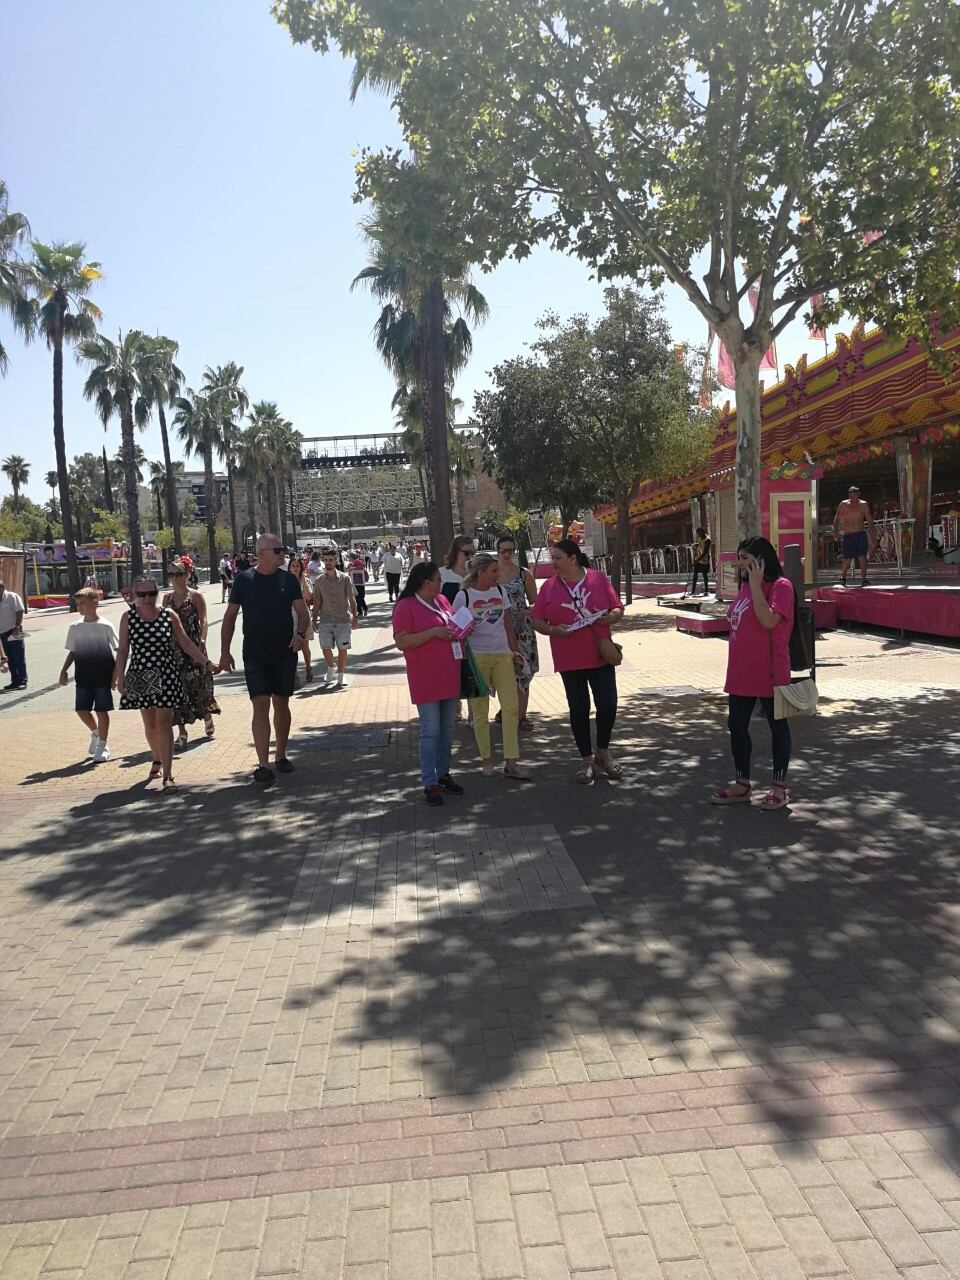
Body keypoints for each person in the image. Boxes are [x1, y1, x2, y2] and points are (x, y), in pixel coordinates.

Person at [530, 538, 624, 785]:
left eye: (558, 558)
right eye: (552, 558)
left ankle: (603, 752)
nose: (554, 563)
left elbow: (617, 608)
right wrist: (553, 631)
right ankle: (586, 759)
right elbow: (537, 619)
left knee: (608, 703)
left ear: (573, 558)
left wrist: (608, 619)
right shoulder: (549, 587)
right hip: (569, 658)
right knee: (579, 708)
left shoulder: (597, 579)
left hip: (600, 654)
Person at [220, 533, 311, 786]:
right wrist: (225, 651)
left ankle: (280, 754)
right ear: (262, 553)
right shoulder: (244, 580)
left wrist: (301, 635)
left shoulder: (288, 580)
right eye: (278, 550)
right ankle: (263, 764)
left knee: (281, 703)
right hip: (255, 653)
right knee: (260, 704)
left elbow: (303, 613)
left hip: (285, 651)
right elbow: (229, 617)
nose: (283, 554)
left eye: (283, 550)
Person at [711, 537, 795, 811]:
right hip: (741, 672)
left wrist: (758, 587)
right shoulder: (745, 587)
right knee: (736, 725)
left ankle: (779, 787)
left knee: (777, 727)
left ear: (761, 558)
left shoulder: (781, 587)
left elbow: (769, 620)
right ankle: (742, 783)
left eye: (746, 558)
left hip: (770, 671)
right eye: (740, 558)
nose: (741, 563)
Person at [114, 575, 215, 791]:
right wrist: (119, 676)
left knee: (164, 722)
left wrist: (206, 662)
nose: (148, 598)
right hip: (140, 673)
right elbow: (123, 650)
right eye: (142, 594)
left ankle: (168, 775)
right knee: (150, 724)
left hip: (167, 673)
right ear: (134, 595)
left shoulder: (168, 616)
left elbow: (186, 643)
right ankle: (156, 758)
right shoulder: (128, 617)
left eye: (152, 593)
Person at [393, 562, 466, 806]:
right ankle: (429, 781)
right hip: (425, 677)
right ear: (425, 582)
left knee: (446, 729)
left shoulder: (442, 600)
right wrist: (434, 633)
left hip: (449, 674)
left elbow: (453, 624)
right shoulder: (406, 606)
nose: (440, 582)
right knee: (430, 730)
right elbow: (402, 641)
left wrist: (463, 627)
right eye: (437, 579)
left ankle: (444, 774)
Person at [453, 553, 530, 780]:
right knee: (480, 711)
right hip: (478, 659)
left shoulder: (500, 592)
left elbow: (507, 625)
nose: (498, 575)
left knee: (511, 707)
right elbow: (457, 632)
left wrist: (516, 652)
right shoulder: (463, 596)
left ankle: (511, 762)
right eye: (493, 571)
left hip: (502, 655)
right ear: (480, 572)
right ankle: (486, 761)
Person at [162, 558, 220, 749]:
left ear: (187, 574)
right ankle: (182, 731)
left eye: (178, 574)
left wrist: (202, 641)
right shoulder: (167, 599)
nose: (175, 578)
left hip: (194, 647)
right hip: (174, 650)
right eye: (172, 575)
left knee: (198, 686)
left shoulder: (195, 596)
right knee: (177, 688)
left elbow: (203, 620)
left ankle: (207, 717)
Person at [59, 586, 119, 762]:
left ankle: (103, 745)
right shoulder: (75, 627)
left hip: (103, 676)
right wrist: (64, 670)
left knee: (102, 710)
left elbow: (118, 651)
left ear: (95, 602)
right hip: (83, 676)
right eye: (77, 604)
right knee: (82, 710)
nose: (79, 607)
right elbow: (73, 651)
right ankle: (96, 732)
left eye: (82, 603)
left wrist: (116, 675)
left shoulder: (105, 626)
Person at [495, 533, 539, 731]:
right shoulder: (491, 574)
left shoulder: (523, 574)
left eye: (510, 550)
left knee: (523, 672)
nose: (506, 554)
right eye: (502, 550)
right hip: (498, 630)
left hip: (522, 630)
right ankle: (506, 710)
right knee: (503, 673)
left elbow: (536, 604)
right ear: (497, 551)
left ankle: (520, 716)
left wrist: (526, 611)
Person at [312, 549, 359, 686]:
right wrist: (314, 620)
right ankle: (331, 666)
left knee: (342, 648)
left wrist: (355, 617)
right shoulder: (319, 581)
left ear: (336, 560)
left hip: (343, 619)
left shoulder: (345, 578)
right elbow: (317, 602)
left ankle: (341, 674)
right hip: (325, 619)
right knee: (325, 646)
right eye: (326, 560)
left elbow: (351, 598)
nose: (328, 563)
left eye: (331, 560)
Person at [833, 485, 877, 587]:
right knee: (847, 558)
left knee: (862, 557)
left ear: (858, 494)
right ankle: (842, 576)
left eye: (855, 493)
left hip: (860, 534)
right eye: (851, 493)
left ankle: (864, 578)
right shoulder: (843, 504)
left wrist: (873, 536)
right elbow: (837, 518)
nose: (853, 496)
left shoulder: (864, 505)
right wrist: (835, 531)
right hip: (848, 535)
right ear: (849, 495)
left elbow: (869, 520)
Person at [287, 555, 314, 682]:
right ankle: (294, 675)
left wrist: (303, 580)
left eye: (297, 566)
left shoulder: (305, 580)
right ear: (289, 568)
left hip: (303, 615)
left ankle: (309, 668)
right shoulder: (285, 581)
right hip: (290, 615)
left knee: (304, 646)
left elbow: (309, 597)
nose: (295, 568)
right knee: (292, 647)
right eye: (293, 566)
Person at [0, 578, 26, 691]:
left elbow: (20, 611)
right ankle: (14, 681)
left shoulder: (12, 597)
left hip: (13, 631)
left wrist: (17, 626)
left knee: (18, 657)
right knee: (9, 658)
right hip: (2, 633)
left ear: (2, 588)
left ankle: (22, 680)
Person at [440, 534, 475, 603]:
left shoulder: (476, 573)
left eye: (473, 553)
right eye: (467, 553)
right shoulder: (441, 573)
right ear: (455, 552)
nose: (470, 557)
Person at [347, 549, 369, 617]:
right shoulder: (350, 564)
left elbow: (362, 566)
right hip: (353, 583)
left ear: (352, 557)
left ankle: (365, 608)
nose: (349, 558)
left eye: (350, 557)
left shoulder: (359, 562)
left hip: (360, 582)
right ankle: (359, 611)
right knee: (356, 597)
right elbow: (347, 569)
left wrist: (354, 568)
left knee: (361, 596)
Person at [692, 526, 712, 596]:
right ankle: (693, 591)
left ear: (703, 532)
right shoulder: (700, 538)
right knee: (695, 575)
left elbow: (705, 552)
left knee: (704, 575)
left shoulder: (707, 540)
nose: (699, 535)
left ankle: (706, 591)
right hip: (698, 559)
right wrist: (697, 545)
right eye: (698, 534)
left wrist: (697, 560)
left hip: (704, 560)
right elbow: (700, 546)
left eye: (699, 534)